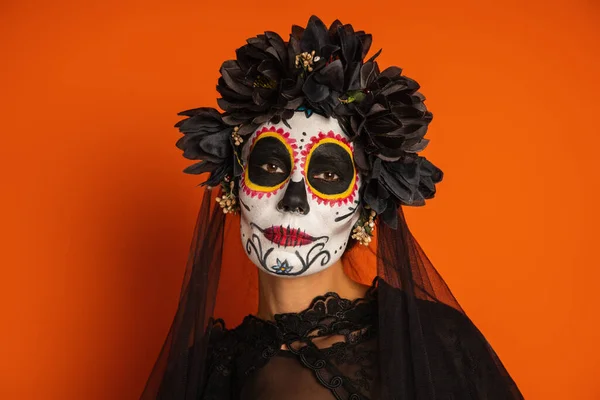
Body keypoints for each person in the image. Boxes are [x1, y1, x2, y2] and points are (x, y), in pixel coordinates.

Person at [140, 15, 524, 399]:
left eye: (327, 176)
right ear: (233, 184)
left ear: (367, 203)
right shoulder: (205, 374)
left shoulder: (433, 342)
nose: (293, 201)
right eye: (271, 166)